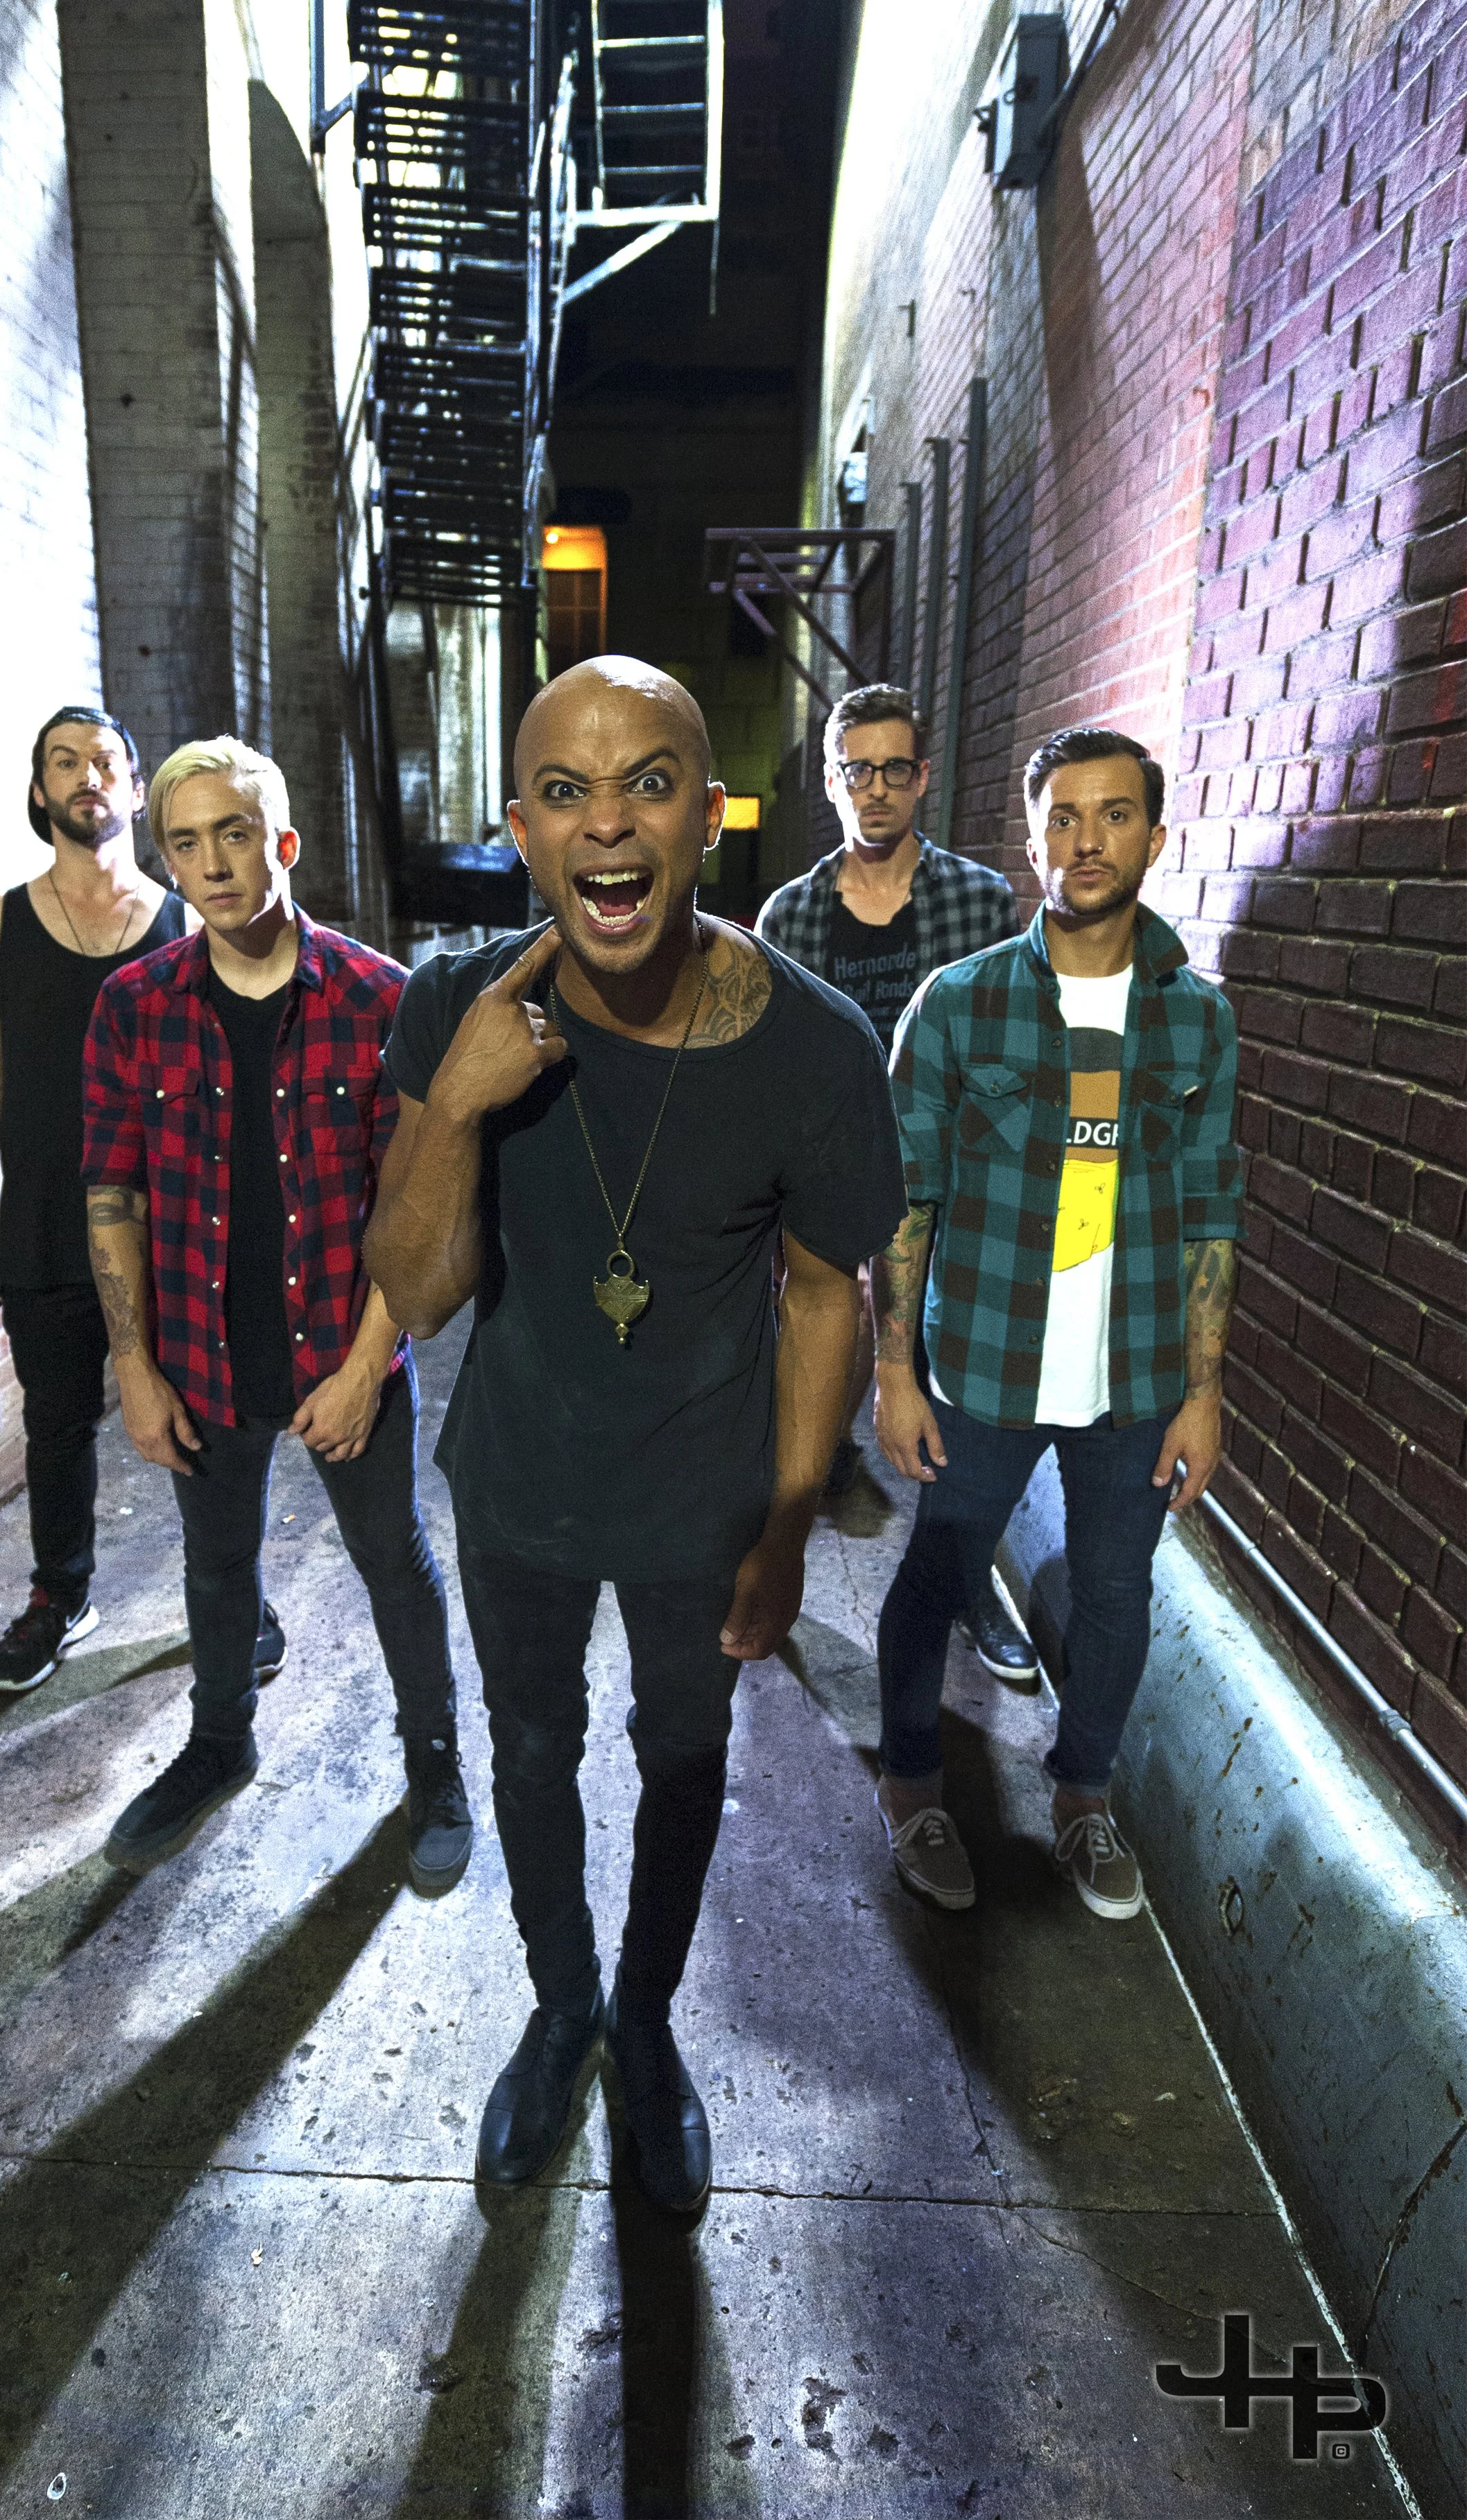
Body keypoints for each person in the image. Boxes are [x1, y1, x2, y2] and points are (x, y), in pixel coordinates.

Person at [365, 656, 904, 2212]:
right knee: (530, 1752)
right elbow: (415, 1292)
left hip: (702, 1504)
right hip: (519, 1483)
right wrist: (458, 1104)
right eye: (565, 792)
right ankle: (560, 2012)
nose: (607, 823)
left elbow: (826, 1296)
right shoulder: (452, 1008)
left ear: (708, 816)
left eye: (647, 784)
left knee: (681, 1755)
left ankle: (648, 2023)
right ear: (522, 830)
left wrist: (788, 1522)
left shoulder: (812, 1047)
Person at [80, 737, 468, 1891]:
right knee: (217, 1564)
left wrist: (366, 1367)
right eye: (186, 843)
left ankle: (435, 1760)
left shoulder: (380, 998)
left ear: (282, 844)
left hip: (345, 1350)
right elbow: (111, 1192)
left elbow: (414, 1213)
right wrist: (134, 1364)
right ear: (167, 860)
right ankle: (220, 1742)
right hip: (200, 1355)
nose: (212, 864)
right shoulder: (133, 1006)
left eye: (234, 835)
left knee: (393, 1560)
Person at [872, 727, 1242, 1920]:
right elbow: (907, 1201)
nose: (1087, 840)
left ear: (1155, 836)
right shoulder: (960, 1005)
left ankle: (1083, 1799)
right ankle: (913, 1785)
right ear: (1030, 843)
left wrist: (1204, 1392)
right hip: (984, 1360)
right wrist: (893, 1370)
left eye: (1113, 815)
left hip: (1134, 1376)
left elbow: (1211, 1213)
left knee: (1118, 1597)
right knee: (936, 1576)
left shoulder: (1198, 1021)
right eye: (1062, 819)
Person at [0, 705, 266, 1691]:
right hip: (46, 1217)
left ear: (134, 790)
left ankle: (235, 1593)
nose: (86, 775)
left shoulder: (186, 922)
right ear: (39, 790)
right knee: (56, 1424)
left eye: (105, 761)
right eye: (64, 761)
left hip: (171, 1227)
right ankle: (60, 1595)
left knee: (202, 1418)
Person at [756, 682, 1029, 1681]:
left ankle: (966, 1580)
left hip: (947, 1170)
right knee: (811, 1355)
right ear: (834, 784)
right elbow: (772, 1060)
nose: (875, 788)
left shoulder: (979, 901)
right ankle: (778, 1552)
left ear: (922, 779)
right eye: (856, 770)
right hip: (828, 1165)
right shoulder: (790, 914)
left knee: (952, 1387)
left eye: (894, 769)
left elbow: (1006, 1048)